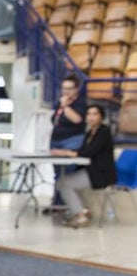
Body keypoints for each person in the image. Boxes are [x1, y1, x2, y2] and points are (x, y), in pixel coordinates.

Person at [53, 103, 116, 228]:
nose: (91, 117)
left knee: (63, 184)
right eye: (89, 114)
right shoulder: (89, 133)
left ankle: (80, 215)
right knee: (61, 182)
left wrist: (68, 153)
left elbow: (90, 152)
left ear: (101, 117)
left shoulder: (104, 132)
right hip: (91, 171)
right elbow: (84, 151)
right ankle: (81, 211)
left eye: (95, 114)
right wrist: (68, 153)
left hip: (101, 174)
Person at [47, 74, 87, 213]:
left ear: (76, 89)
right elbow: (55, 120)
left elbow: (77, 119)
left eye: (69, 88)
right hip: (56, 141)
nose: (66, 92)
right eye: (64, 88)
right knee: (57, 174)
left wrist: (65, 106)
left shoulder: (80, 103)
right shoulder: (60, 103)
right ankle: (57, 203)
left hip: (72, 141)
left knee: (67, 174)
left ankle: (65, 205)